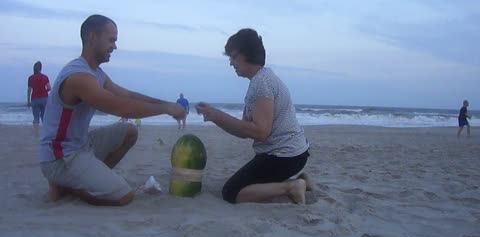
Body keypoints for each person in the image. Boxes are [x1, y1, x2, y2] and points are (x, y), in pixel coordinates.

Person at [39, 14, 185, 206]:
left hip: (82, 146)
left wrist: (168, 104)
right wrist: (166, 109)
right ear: (92, 37)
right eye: (111, 40)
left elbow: (127, 96)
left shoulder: (96, 73)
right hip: (61, 157)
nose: (115, 46)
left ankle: (89, 179)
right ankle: (68, 186)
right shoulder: (78, 77)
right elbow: (123, 108)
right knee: (124, 196)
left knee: (129, 132)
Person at [196, 28, 311, 204]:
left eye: (233, 57)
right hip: (293, 153)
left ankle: (291, 187)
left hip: (284, 156)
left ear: (248, 54)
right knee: (247, 182)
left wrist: (217, 115)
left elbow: (260, 132)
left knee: (231, 192)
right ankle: (301, 181)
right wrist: (215, 117)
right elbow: (244, 131)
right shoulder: (261, 79)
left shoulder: (261, 83)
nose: (231, 63)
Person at [27, 61, 51, 127]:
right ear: (41, 68)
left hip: (35, 98)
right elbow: (49, 88)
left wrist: (28, 101)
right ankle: (45, 132)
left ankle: (35, 132)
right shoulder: (45, 77)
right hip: (44, 98)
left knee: (36, 117)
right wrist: (44, 91)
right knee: (44, 117)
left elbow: (29, 90)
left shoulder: (31, 78)